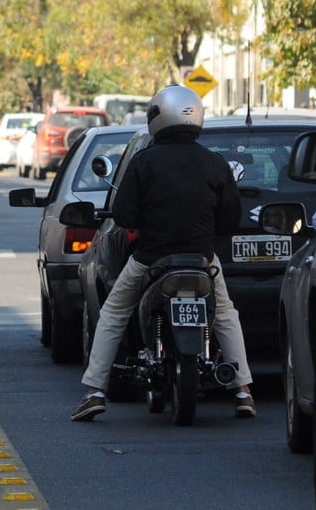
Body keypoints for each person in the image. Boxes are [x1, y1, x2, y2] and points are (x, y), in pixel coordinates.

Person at [72, 86, 256, 422]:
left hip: (150, 259)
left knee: (113, 312)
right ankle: (243, 390)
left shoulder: (144, 162)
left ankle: (95, 391)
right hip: (203, 260)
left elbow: (125, 216)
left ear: (157, 117)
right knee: (226, 313)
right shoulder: (215, 163)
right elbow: (231, 218)